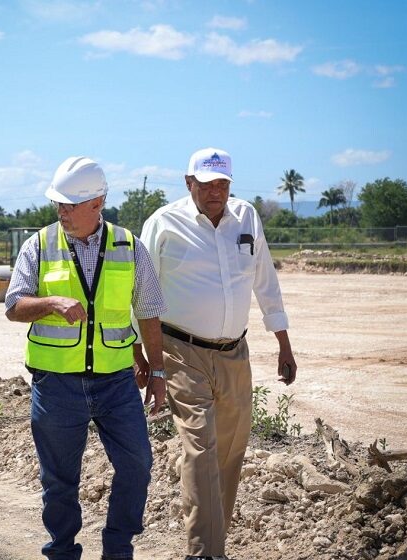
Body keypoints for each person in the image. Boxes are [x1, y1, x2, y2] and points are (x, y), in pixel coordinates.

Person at [135, 148, 297, 560]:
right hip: (180, 349)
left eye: (222, 183)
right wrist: (142, 353)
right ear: (188, 182)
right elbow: (140, 290)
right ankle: (204, 552)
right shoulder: (163, 223)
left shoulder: (246, 218)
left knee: (229, 450)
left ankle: (213, 541)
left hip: (234, 352)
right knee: (201, 448)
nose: (215, 192)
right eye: (206, 183)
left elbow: (265, 280)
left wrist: (283, 342)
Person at [5, 156, 167, 560]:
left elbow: (148, 311)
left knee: (137, 466)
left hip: (116, 382)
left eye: (69, 204)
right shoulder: (39, 244)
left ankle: (117, 547)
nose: (61, 211)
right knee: (59, 481)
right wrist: (50, 302)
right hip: (57, 384)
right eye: (58, 203)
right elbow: (13, 306)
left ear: (97, 203)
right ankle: (61, 551)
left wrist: (158, 368)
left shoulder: (130, 246)